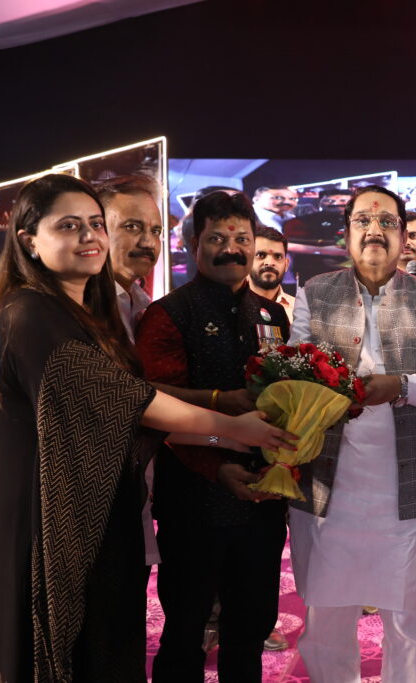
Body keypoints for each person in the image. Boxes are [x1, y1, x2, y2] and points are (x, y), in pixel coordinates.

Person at [0, 173, 295, 683]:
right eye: (70, 225)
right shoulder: (30, 310)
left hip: (111, 505)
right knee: (79, 645)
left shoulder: (100, 309)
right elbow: (131, 401)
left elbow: (138, 415)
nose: (90, 237)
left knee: (123, 640)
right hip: (57, 510)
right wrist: (232, 428)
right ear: (29, 240)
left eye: (95, 225)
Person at [288, 184, 416, 683]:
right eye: (363, 220)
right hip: (329, 485)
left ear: (405, 237)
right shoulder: (315, 292)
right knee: (326, 614)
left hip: (406, 486)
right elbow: (293, 374)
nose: (374, 230)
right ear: (346, 235)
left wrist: (399, 386)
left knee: (410, 616)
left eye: (387, 221)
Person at [135, 190, 292, 683]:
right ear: (192, 244)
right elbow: (154, 404)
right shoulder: (168, 314)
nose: (232, 249)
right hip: (193, 500)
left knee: (250, 629)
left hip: (262, 499)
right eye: (217, 238)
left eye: (241, 238)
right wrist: (217, 453)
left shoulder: (271, 316)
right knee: (185, 631)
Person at [96, 175, 163, 342]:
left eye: (155, 231)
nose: (149, 243)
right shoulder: (79, 307)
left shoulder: (141, 305)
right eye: (132, 227)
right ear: (98, 231)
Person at [282, 187, 352, 284]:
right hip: (314, 273)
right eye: (329, 201)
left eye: (343, 200)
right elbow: (289, 245)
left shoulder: (361, 220)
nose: (336, 203)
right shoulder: (300, 222)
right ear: (320, 202)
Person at [249, 224, 296, 322]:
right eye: (261, 255)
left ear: (286, 264)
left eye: (278, 257)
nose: (270, 263)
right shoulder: (228, 307)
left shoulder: (301, 311)